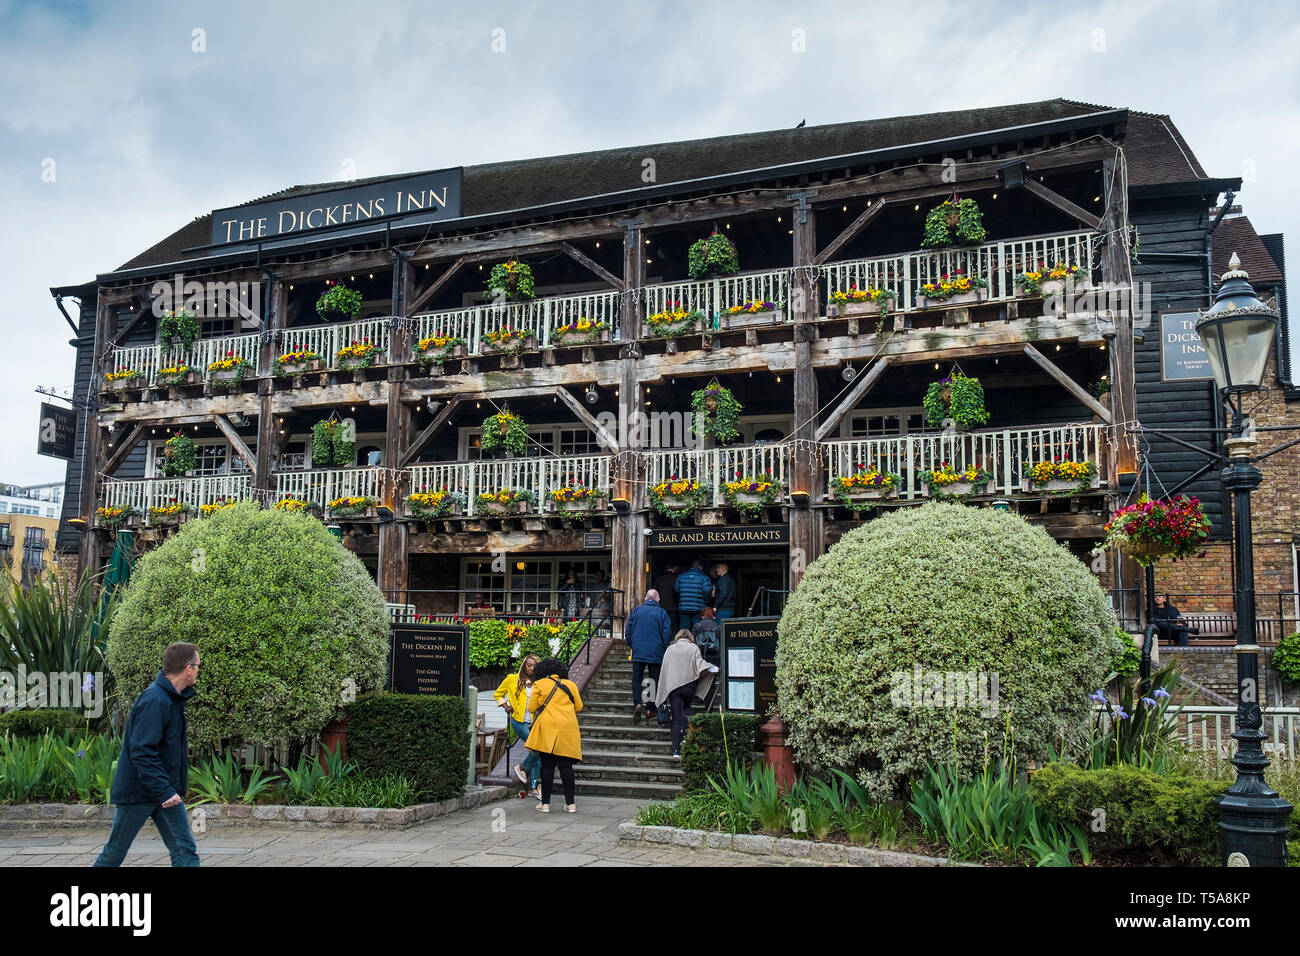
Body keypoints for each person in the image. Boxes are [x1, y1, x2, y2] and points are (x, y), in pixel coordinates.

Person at [94, 643, 202, 867]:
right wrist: (164, 790)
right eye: (198, 665)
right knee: (114, 853)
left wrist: (167, 790)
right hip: (140, 792)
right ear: (188, 668)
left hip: (164, 792)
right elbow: (141, 752)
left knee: (185, 851)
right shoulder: (155, 700)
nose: (199, 670)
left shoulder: (172, 699)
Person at [525, 658, 583, 813]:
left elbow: (531, 708)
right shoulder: (570, 685)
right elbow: (579, 706)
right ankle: (570, 804)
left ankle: (545, 804)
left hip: (547, 727)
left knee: (547, 766)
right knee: (566, 766)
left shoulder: (540, 684)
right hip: (567, 728)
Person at [655, 630, 719, 758]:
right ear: (690, 637)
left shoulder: (670, 649)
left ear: (677, 637)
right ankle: (686, 738)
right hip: (689, 686)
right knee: (686, 710)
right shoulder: (693, 647)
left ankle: (676, 750)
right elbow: (699, 663)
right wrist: (712, 667)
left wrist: (663, 692)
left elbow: (664, 670)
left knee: (676, 718)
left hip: (674, 688)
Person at [494, 654, 542, 795]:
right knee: (537, 747)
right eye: (529, 665)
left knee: (536, 752)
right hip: (519, 722)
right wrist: (505, 706)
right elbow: (498, 694)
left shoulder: (539, 682)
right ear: (523, 665)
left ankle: (533, 787)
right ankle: (521, 767)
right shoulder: (512, 679)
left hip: (534, 722)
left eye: (534, 666)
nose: (532, 668)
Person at [624, 589, 672, 722]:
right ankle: (650, 709)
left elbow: (628, 631)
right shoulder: (662, 613)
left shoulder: (636, 611)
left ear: (645, 598)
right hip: (656, 651)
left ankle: (638, 703)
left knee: (637, 679)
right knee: (652, 680)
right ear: (658, 599)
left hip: (638, 650)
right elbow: (666, 633)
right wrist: (664, 645)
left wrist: (632, 644)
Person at [674, 558, 714, 631]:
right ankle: (697, 641)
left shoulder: (681, 576)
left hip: (684, 607)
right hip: (699, 607)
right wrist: (706, 602)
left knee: (684, 629)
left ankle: (683, 641)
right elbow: (707, 591)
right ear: (701, 567)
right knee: (698, 628)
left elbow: (676, 590)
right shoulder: (704, 577)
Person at [652, 563, 681, 634]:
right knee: (673, 629)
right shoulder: (677, 579)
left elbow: (654, 592)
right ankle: (672, 643)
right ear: (675, 568)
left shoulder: (659, 578)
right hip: (673, 608)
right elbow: (678, 592)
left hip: (661, 607)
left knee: (661, 627)